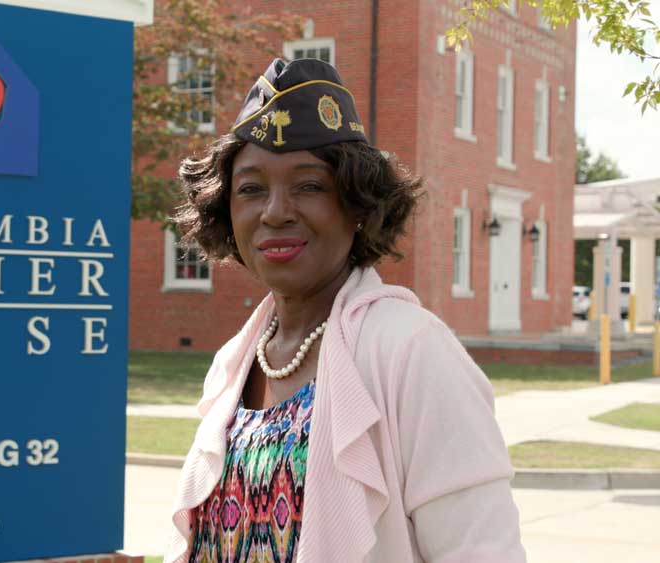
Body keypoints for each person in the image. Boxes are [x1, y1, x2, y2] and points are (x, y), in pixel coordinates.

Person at [163, 58, 526, 563]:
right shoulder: (234, 362)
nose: (275, 211)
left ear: (358, 205)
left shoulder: (411, 350)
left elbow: (482, 551)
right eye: (251, 189)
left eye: (309, 186)